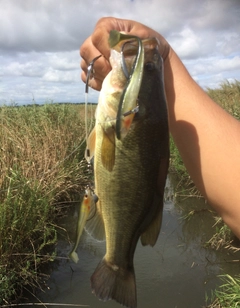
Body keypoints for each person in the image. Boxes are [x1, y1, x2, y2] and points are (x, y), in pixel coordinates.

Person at [80, 17, 240, 239]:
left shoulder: (126, 119)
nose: (143, 62)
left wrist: (161, 59)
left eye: (145, 68)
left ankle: (118, 260)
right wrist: (163, 56)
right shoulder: (126, 117)